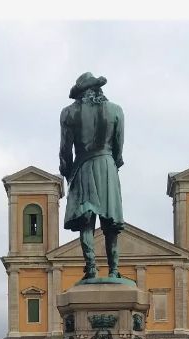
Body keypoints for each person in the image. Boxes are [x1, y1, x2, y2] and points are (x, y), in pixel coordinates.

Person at [59, 72, 125, 280]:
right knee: (111, 223)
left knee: (86, 222)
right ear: (97, 89)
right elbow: (119, 147)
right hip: (107, 165)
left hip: (83, 166)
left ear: (80, 93)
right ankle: (114, 270)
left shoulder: (69, 113)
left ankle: (91, 268)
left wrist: (68, 170)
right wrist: (112, 163)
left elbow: (65, 150)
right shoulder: (116, 110)